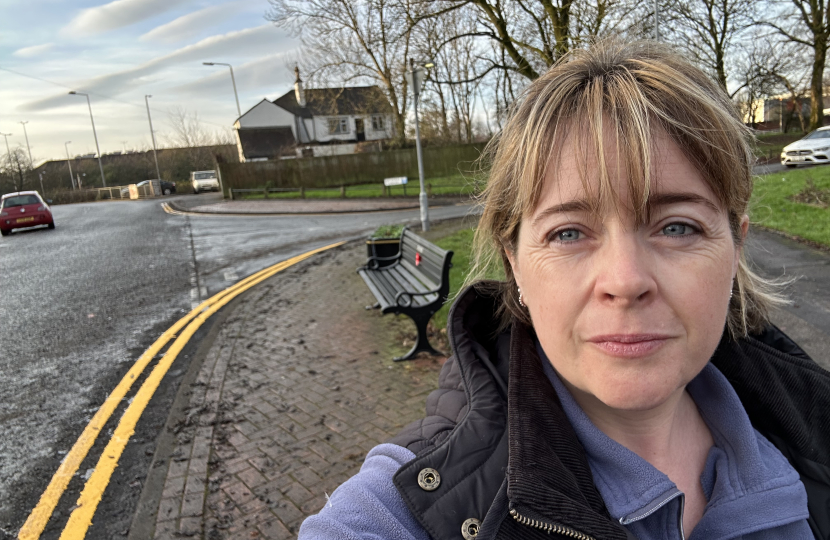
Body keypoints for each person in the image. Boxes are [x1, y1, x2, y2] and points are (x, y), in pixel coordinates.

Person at [299, 40, 830, 540]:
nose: (624, 281)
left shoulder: (812, 423)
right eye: (568, 233)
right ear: (515, 263)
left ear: (735, 247)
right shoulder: (410, 504)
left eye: (676, 227)